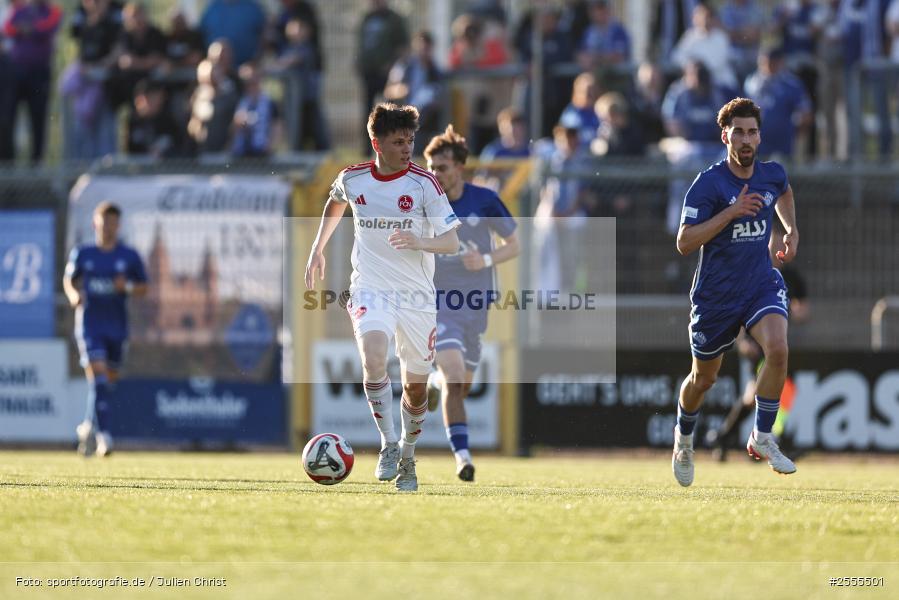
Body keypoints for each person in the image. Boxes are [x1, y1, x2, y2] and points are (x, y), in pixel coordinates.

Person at [304, 103, 461, 492]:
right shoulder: (353, 178)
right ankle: (389, 443)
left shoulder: (425, 184)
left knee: (416, 388)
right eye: (398, 141)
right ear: (377, 143)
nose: (407, 148)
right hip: (370, 288)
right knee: (373, 357)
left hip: (417, 298)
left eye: (410, 140)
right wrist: (318, 247)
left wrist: (420, 240)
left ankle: (408, 456)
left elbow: (452, 241)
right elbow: (335, 201)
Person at [672, 97, 799, 487]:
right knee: (703, 379)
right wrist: (729, 212)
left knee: (777, 349)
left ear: (760, 137)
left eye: (753, 132)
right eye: (739, 132)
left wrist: (791, 231)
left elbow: (785, 191)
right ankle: (683, 438)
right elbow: (684, 242)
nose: (747, 139)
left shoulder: (771, 173)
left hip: (759, 284)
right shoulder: (708, 184)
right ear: (725, 135)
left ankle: (762, 436)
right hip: (716, 296)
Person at [422, 125, 519, 481]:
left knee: (460, 385)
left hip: (476, 306)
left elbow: (515, 244)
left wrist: (487, 260)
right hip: (437, 303)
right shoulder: (423, 203)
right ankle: (462, 457)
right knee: (453, 376)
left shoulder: (484, 200)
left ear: (459, 167)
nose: (435, 174)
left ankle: (434, 383)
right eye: (431, 167)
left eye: (442, 167)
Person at [63, 202, 148, 457]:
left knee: (104, 384)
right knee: (98, 378)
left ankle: (88, 425)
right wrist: (73, 294)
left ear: (118, 225)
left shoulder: (129, 256)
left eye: (113, 223)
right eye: (104, 223)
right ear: (95, 224)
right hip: (90, 325)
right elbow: (69, 279)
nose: (108, 228)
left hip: (117, 327)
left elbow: (145, 287)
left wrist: (128, 288)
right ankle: (105, 437)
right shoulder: (83, 253)